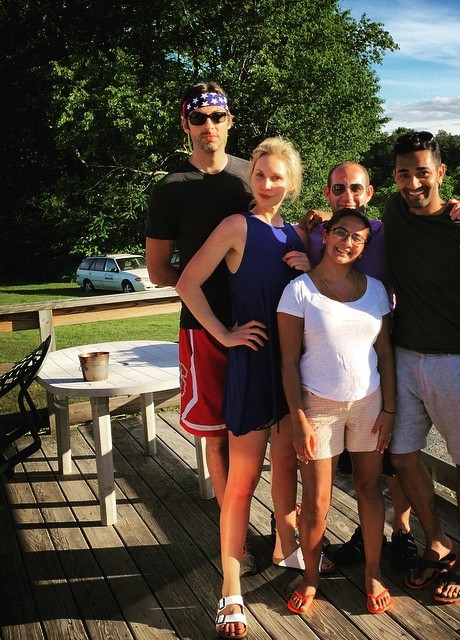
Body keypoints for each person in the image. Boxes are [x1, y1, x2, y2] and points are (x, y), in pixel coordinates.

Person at [175, 137, 322, 639]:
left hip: (293, 369)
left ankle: (286, 546)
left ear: (291, 182)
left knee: (286, 465)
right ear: (250, 178)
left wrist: (313, 269)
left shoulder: (299, 235)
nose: (266, 184)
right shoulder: (237, 226)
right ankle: (231, 589)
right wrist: (224, 334)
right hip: (253, 365)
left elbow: (332, 282)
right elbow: (187, 282)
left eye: (277, 177)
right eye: (259, 175)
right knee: (241, 484)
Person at [307, 161, 460, 571]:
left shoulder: (387, 229)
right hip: (337, 365)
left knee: (391, 450)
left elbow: (429, 211)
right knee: (358, 458)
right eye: (338, 189)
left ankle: (401, 529)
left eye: (355, 188)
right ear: (327, 193)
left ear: (369, 193)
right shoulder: (316, 233)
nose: (347, 196)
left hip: (386, 350)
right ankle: (367, 531)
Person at [383, 131, 460, 604]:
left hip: (456, 363)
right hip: (404, 357)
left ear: (441, 173)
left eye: (422, 172)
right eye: (403, 174)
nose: (413, 183)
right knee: (402, 456)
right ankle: (437, 539)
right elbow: (354, 228)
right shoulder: (393, 212)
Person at [145, 80, 258, 574]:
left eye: (216, 116)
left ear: (229, 120)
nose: (208, 125)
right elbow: (158, 271)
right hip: (202, 328)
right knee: (216, 435)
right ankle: (236, 539)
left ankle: (279, 531)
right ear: (185, 124)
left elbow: (277, 231)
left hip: (257, 323)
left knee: (262, 429)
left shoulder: (251, 176)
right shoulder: (171, 188)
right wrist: (201, 290)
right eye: (198, 118)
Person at [278, 208, 395, 615]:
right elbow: (288, 361)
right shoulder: (299, 291)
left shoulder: (376, 290)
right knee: (316, 501)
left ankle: (373, 574)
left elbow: (385, 353)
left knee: (370, 489)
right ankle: (310, 577)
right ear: (326, 234)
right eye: (340, 233)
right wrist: (299, 419)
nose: (347, 242)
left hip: (369, 403)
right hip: (318, 407)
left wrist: (390, 409)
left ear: (365, 246)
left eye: (357, 238)